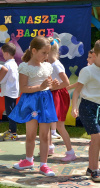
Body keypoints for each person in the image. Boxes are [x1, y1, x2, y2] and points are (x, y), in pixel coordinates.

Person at [9, 36, 58, 176]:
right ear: (34, 51)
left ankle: (44, 165)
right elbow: (23, 88)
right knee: (30, 135)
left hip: (45, 101)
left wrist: (52, 86)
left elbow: (47, 86)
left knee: (44, 135)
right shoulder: (24, 67)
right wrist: (41, 86)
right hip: (31, 102)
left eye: (48, 53)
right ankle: (28, 160)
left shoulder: (47, 66)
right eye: (44, 53)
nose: (46, 56)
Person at [71, 40, 100, 182]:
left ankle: (90, 167)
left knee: (97, 139)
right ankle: (95, 170)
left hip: (99, 108)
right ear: (95, 55)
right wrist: (74, 107)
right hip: (88, 107)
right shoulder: (87, 71)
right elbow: (77, 91)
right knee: (97, 137)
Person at [47, 37, 76, 162]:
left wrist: (54, 87)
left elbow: (66, 82)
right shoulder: (47, 64)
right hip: (50, 94)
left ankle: (71, 152)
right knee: (46, 123)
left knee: (59, 125)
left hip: (58, 95)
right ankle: (49, 147)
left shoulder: (56, 65)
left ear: (49, 51)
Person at [0, 42, 20, 141]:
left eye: (3, 53)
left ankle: (13, 133)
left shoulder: (7, 65)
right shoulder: (14, 63)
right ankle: (11, 130)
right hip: (13, 90)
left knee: (10, 112)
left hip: (9, 91)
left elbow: (3, 78)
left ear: (7, 53)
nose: (3, 55)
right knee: (11, 110)